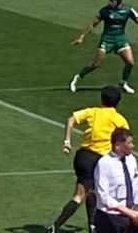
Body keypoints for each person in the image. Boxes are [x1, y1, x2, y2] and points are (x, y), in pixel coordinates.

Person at [46, 85, 129, 233]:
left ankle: (92, 225)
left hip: (83, 156)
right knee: (85, 195)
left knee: (90, 192)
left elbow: (71, 119)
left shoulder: (93, 112)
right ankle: (56, 226)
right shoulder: (119, 119)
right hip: (101, 160)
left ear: (102, 99)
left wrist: (67, 141)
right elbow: (124, 141)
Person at [70, 0, 138, 95]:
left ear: (116, 0)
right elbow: (93, 23)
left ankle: (123, 83)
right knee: (95, 64)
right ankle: (77, 78)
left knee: (130, 63)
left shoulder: (128, 10)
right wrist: (81, 37)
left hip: (120, 39)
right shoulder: (105, 10)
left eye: (110, 0)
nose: (108, 1)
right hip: (107, 39)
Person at [93, 128, 138, 233]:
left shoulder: (131, 160)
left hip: (130, 215)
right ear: (118, 145)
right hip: (109, 218)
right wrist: (126, 210)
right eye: (129, 143)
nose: (132, 146)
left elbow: (136, 183)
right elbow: (102, 195)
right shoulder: (104, 164)